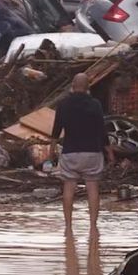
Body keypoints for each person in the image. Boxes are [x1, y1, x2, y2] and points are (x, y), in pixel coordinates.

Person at [51, 73, 115, 237]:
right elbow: (102, 128)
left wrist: (52, 148)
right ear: (88, 87)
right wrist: (108, 151)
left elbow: (57, 128)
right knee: (92, 188)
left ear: (72, 84)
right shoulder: (95, 104)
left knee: (68, 188)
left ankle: (68, 227)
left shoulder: (63, 104)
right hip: (92, 152)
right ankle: (93, 226)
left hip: (70, 152)